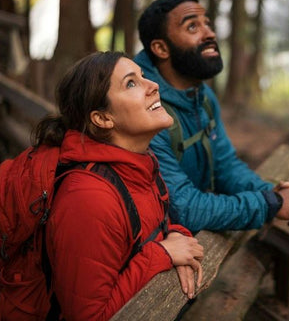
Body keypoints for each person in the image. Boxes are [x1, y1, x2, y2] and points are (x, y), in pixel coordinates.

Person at [133, 0, 289, 234]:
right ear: (161, 48)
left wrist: (270, 193)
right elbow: (183, 208)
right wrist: (272, 204)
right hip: (148, 252)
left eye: (207, 24)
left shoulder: (202, 97)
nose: (210, 33)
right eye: (193, 27)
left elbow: (224, 166)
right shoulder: (143, 110)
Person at [34, 51, 204, 320]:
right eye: (131, 83)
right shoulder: (88, 199)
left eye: (143, 76)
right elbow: (88, 316)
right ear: (102, 118)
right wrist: (161, 255)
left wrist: (176, 236)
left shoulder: (140, 165)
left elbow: (152, 228)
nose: (154, 85)